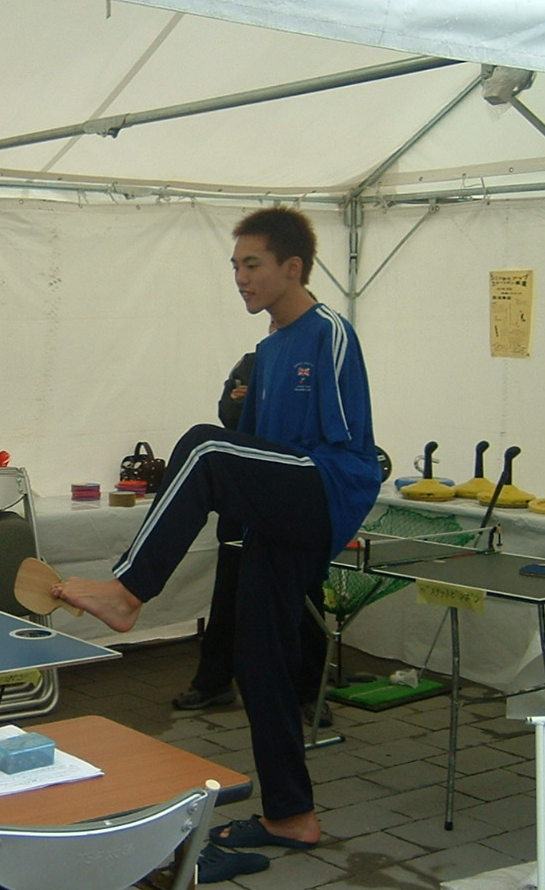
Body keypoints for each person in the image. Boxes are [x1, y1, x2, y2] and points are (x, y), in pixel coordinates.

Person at [54, 207, 379, 850]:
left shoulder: (329, 332)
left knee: (203, 447)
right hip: (277, 512)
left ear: (293, 267)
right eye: (234, 266)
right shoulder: (266, 352)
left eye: (252, 265)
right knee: (259, 662)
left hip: (324, 487)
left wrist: (327, 512)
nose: (240, 278)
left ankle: (128, 591)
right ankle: (291, 815)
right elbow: (249, 451)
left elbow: (347, 447)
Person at [173, 326, 331, 729]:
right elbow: (229, 416)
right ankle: (213, 681)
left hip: (295, 496)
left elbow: (321, 427)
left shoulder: (323, 363)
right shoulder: (250, 363)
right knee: (229, 593)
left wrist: (265, 403)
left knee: (306, 600)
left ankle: (311, 693)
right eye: (275, 326)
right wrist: (243, 405)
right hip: (244, 495)